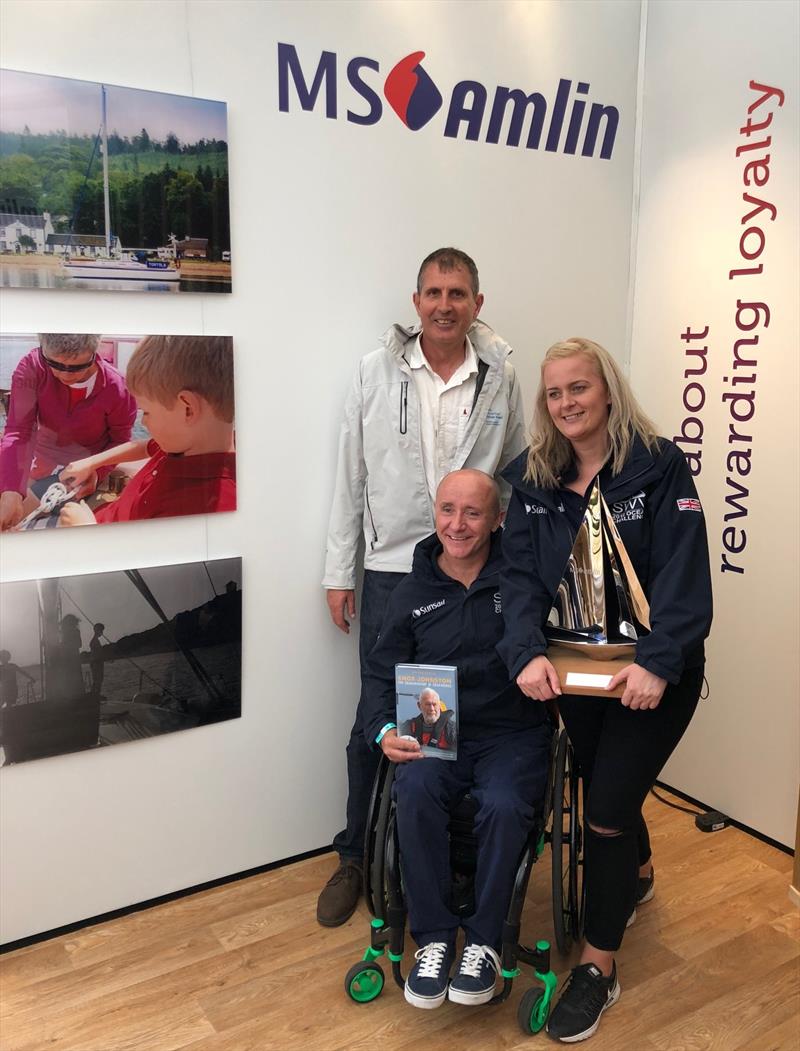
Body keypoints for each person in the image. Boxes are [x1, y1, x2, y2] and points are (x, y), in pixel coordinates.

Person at [498, 337, 712, 1043]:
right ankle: (639, 867)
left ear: (607, 390)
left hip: (652, 672)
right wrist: (524, 651)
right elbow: (522, 580)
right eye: (554, 392)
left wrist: (658, 660)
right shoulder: (531, 479)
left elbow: (684, 574)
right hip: (575, 671)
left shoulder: (657, 463)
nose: (566, 403)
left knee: (609, 808)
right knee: (601, 783)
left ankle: (598, 963)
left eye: (578, 388)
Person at [319, 247, 527, 927]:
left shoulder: (501, 375)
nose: (445, 303)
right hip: (390, 571)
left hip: (472, 566)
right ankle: (356, 854)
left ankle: (447, 860)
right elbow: (351, 476)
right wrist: (338, 569)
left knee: (463, 714)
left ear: (476, 304)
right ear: (416, 303)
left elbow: (519, 475)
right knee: (376, 720)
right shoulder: (375, 372)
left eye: (458, 293)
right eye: (433, 291)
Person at [362, 469, 551, 1008]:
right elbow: (380, 673)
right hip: (435, 727)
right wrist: (382, 731)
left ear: (497, 519)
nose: (458, 524)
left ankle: (487, 942)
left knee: (506, 804)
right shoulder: (412, 591)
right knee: (414, 792)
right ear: (435, 514)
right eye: (448, 510)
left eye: (472, 513)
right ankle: (436, 939)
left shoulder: (519, 582)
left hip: (510, 731)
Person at [56, 335, 235, 527]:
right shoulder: (183, 444)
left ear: (188, 409)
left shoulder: (209, 509)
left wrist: (87, 532)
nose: (143, 421)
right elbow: (142, 447)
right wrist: (91, 463)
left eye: (147, 412)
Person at [0, 334, 137, 530]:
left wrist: (97, 472)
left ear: (94, 353)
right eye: (53, 364)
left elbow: (120, 441)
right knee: (9, 501)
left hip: (84, 466)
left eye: (76, 367)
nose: (64, 375)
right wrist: (11, 489)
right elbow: (19, 430)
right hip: (40, 456)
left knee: (26, 506)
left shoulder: (118, 388)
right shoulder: (31, 367)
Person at [88, 623, 106, 695]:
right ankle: (95, 695)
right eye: (101, 630)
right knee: (97, 680)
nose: (102, 633)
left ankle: (96, 695)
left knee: (98, 680)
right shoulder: (94, 641)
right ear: (97, 630)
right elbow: (96, 654)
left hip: (97, 662)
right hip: (96, 663)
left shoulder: (95, 641)